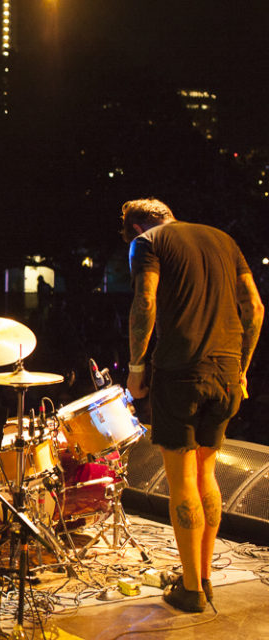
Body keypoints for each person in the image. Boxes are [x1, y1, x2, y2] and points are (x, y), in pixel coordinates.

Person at [122, 198, 263, 612]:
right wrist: (242, 367)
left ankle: (191, 593)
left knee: (182, 478)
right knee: (207, 472)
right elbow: (254, 307)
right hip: (227, 371)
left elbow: (144, 302)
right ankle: (200, 578)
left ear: (135, 227)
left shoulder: (146, 243)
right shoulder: (223, 238)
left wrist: (135, 367)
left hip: (180, 372)